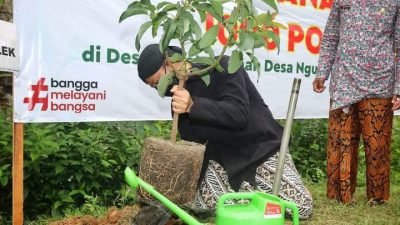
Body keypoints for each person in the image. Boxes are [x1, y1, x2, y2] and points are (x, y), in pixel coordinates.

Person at [135, 43, 313, 224]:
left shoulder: (225, 66)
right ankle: (247, 195)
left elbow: (238, 115)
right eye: (154, 87)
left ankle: (250, 194)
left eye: (157, 82)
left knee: (302, 206)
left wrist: (193, 106)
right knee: (206, 207)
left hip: (260, 149)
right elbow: (195, 145)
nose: (159, 89)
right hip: (222, 161)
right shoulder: (178, 99)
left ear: (170, 62)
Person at [313, 1, 400, 205]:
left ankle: (377, 198)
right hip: (344, 79)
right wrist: (322, 72)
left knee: (377, 144)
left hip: (380, 80)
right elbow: (331, 35)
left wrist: (398, 87)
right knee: (341, 140)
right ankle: (340, 196)